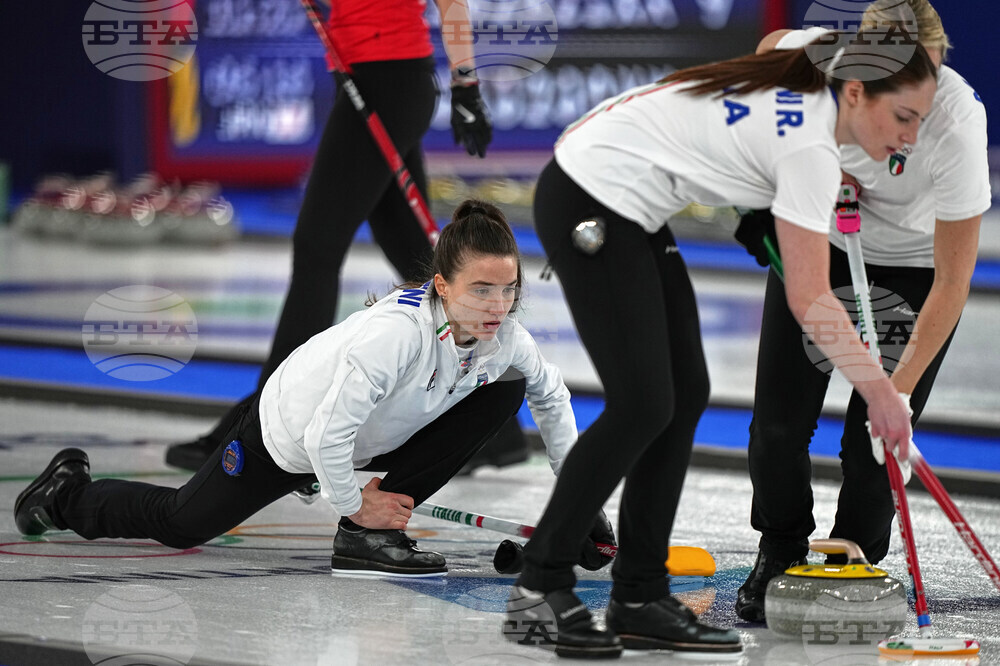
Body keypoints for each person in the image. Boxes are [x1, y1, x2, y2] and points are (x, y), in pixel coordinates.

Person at [502, 32, 938, 660]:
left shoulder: (816, 65)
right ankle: (539, 588)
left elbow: (777, 43)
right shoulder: (811, 149)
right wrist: (883, 393)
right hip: (589, 195)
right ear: (855, 91)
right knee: (641, 403)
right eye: (902, 116)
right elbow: (811, 299)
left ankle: (640, 598)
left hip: (631, 204)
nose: (910, 137)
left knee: (682, 395)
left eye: (921, 121)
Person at [15, 201, 613, 578]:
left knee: (507, 390)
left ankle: (369, 540)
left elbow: (553, 400)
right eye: (481, 290)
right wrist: (354, 503)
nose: (498, 306)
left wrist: (581, 501)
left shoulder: (504, 339)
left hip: (365, 443)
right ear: (441, 285)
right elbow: (326, 432)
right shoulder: (395, 335)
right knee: (181, 524)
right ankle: (69, 493)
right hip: (288, 437)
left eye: (508, 291)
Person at [165, 0, 529, 477]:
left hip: (385, 81)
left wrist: (466, 82)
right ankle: (497, 431)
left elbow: (452, 4)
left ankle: (255, 430)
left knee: (317, 250)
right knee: (419, 257)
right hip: (373, 78)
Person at [734, 0, 990, 622]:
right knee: (776, 428)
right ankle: (783, 546)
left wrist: (895, 393)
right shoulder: (826, 62)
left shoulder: (956, 122)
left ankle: (851, 560)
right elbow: (767, 53)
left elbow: (954, 281)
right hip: (818, 244)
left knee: (872, 445)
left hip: (913, 266)